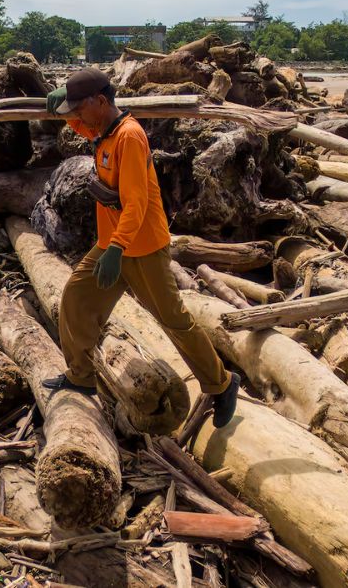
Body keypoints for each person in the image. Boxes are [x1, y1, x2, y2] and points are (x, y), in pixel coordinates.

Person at [40, 68, 241, 428]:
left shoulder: (129, 138)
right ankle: (81, 376)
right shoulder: (103, 132)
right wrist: (63, 110)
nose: (79, 117)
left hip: (141, 246)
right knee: (75, 296)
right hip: (113, 243)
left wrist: (116, 250)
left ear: (101, 102)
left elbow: (136, 204)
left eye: (80, 108)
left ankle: (222, 383)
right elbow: (82, 127)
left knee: (173, 319)